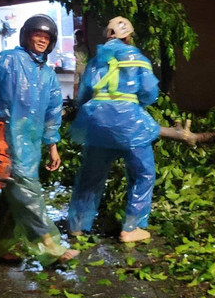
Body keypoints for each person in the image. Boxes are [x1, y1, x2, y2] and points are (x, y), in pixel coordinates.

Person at [0, 14, 77, 264]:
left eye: (46, 37)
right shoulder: (7, 60)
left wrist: (53, 146)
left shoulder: (48, 75)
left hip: (30, 145)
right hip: (4, 140)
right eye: (38, 35)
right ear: (27, 36)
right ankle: (49, 245)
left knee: (13, 194)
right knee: (28, 192)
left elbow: (52, 113)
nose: (42, 40)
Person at [68, 17, 159, 243]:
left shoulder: (96, 60)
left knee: (91, 176)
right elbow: (149, 93)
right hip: (130, 125)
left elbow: (84, 95)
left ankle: (77, 225)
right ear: (128, 36)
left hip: (97, 124)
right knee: (143, 173)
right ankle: (132, 227)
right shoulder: (138, 58)